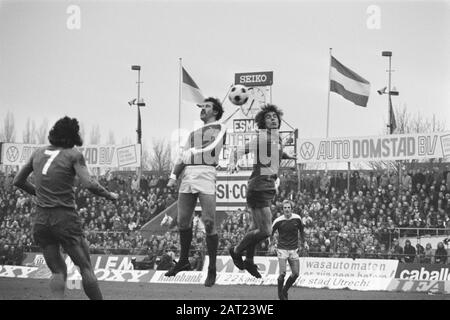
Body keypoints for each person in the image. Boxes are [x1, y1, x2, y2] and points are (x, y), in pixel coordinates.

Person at [13, 116, 118, 300]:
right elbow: (89, 184)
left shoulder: (38, 153)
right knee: (85, 267)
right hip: (64, 218)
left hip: (41, 220)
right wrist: (110, 195)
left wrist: (38, 193)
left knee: (57, 271)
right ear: (72, 135)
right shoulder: (73, 154)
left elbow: (18, 181)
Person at [228, 104, 296, 278]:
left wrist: (288, 156)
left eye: (275, 116)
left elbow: (276, 153)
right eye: (268, 117)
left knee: (254, 227)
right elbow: (239, 150)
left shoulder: (276, 138)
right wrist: (233, 161)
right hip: (259, 186)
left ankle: (249, 260)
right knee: (265, 231)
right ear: (262, 122)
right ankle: (236, 251)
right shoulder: (262, 137)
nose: (272, 118)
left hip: (265, 187)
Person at [164, 97, 226, 287]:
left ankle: (212, 268)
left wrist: (195, 151)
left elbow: (212, 147)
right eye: (202, 106)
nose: (202, 109)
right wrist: (174, 175)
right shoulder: (192, 133)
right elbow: (183, 155)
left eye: (207, 106)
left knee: (208, 221)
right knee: (182, 221)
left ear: (215, 112)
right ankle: (183, 261)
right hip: (188, 174)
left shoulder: (220, 129)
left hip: (206, 172)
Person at [271, 200, 307, 300]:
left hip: (294, 249)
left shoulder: (297, 218)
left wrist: (305, 242)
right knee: (282, 273)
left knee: (296, 274)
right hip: (282, 249)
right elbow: (270, 232)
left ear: (291, 208)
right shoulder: (278, 221)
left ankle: (284, 290)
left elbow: (302, 231)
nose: (287, 209)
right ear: (282, 209)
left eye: (288, 207)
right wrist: (272, 244)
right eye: (285, 208)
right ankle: (280, 295)